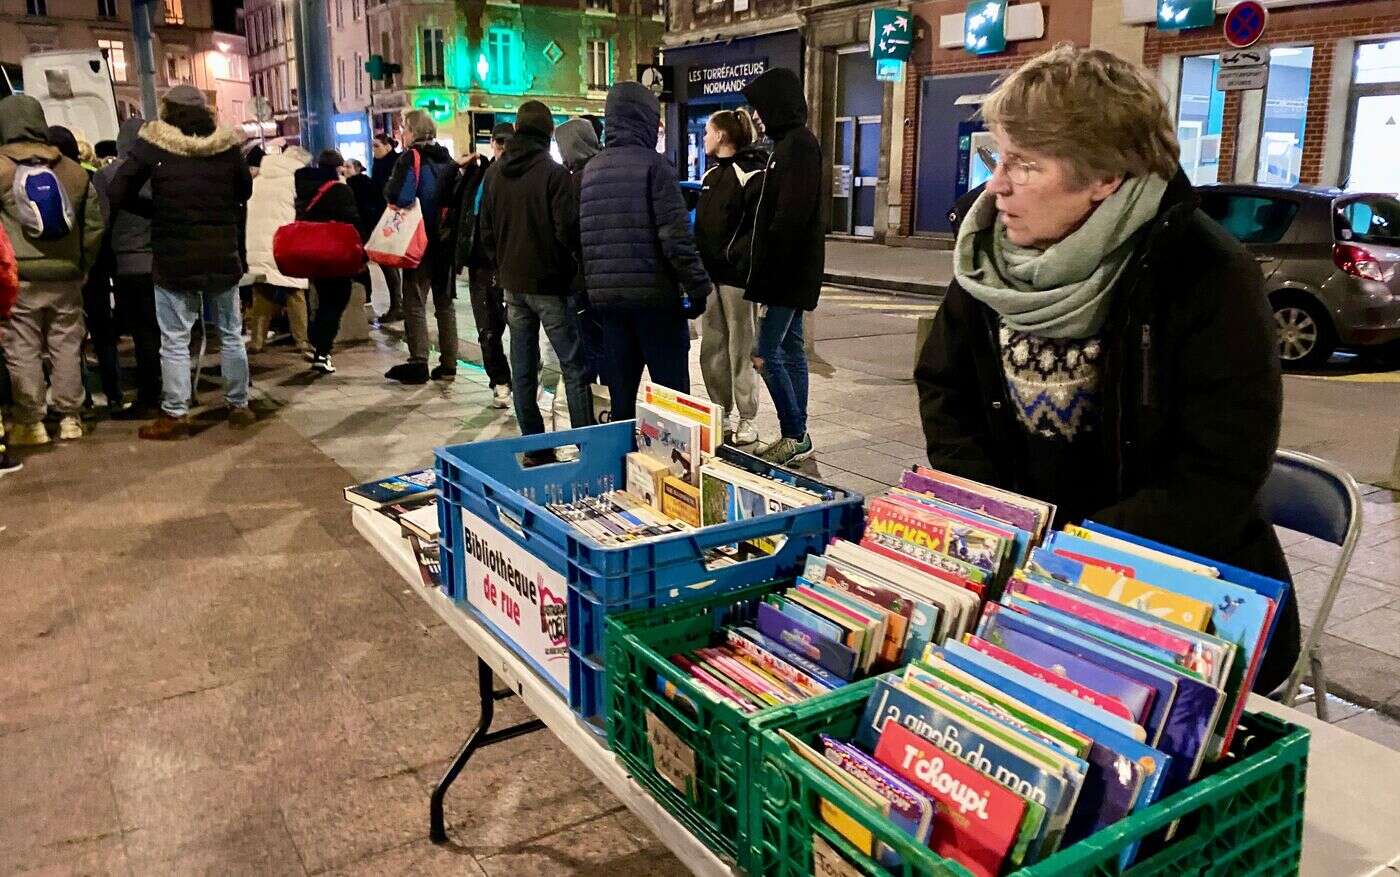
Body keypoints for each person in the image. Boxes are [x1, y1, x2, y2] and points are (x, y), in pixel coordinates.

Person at [915, 44, 1298, 693]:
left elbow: (1217, 472)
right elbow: (945, 388)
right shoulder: (987, 259)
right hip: (1023, 573)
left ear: (1105, 179)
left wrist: (1072, 559)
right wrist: (1006, 530)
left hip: (1172, 590)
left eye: (1026, 164)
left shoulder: (1204, 271)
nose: (996, 184)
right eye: (997, 156)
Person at [107, 84, 255, 440]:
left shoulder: (154, 144)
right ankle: (239, 406)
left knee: (174, 339)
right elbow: (244, 190)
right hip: (221, 253)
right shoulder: (226, 145)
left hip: (174, 256)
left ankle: (176, 413)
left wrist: (156, 212)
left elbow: (117, 190)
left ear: (167, 110)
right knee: (231, 333)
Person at [579, 81, 710, 423]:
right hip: (656, 303)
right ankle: (674, 469)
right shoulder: (655, 166)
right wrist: (698, 289)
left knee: (622, 398)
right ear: (645, 119)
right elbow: (676, 237)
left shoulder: (592, 170)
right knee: (673, 399)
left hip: (610, 306)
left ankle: (625, 466)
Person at [477, 100, 594, 452]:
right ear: (548, 134)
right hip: (550, 286)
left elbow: (486, 233)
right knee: (573, 367)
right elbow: (568, 231)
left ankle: (535, 446)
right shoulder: (555, 175)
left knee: (523, 369)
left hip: (513, 285)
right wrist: (568, 268)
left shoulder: (495, 173)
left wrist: (503, 263)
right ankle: (586, 444)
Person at [0, 95, 104, 445]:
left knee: (22, 349)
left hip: (20, 277)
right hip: (66, 276)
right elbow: (93, 226)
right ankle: (71, 418)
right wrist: (82, 264)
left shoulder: (0, 168)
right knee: (66, 346)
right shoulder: (72, 171)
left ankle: (32, 423)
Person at [741, 67, 824, 467]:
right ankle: (798, 435)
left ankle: (794, 433)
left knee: (764, 353)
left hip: (785, 276)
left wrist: (767, 280)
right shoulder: (789, 144)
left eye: (759, 107)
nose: (756, 115)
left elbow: (790, 218)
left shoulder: (798, 146)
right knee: (790, 351)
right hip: (788, 274)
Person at [694, 108, 766, 447]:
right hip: (711, 276)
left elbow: (755, 228)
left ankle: (747, 417)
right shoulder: (710, 177)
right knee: (713, 346)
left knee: (741, 347)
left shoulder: (750, 172)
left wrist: (736, 258)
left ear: (722, 136)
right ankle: (719, 412)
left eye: (708, 131)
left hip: (737, 277)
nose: (705, 137)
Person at [382, 111, 460, 384]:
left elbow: (402, 196)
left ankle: (418, 361)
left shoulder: (411, 158)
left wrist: (389, 189)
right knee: (444, 303)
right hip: (445, 241)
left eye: (403, 129)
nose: (401, 134)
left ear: (412, 132)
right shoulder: (448, 160)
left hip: (420, 241)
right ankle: (449, 363)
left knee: (414, 301)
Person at [93, 116, 162, 418]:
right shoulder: (161, 174)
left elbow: (101, 224)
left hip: (127, 265)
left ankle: (148, 396)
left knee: (142, 332)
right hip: (161, 264)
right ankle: (171, 392)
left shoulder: (107, 176)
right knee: (165, 334)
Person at [449, 122, 514, 409]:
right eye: (498, 142)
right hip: (481, 265)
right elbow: (445, 195)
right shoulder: (478, 175)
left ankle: (524, 379)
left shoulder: (517, 177)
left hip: (511, 265)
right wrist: (456, 166)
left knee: (521, 330)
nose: (500, 147)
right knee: (487, 331)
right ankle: (500, 381)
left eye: (505, 142)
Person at [243, 145, 313, 357]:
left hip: (257, 244)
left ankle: (257, 341)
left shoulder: (258, 181)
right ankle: (302, 341)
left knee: (262, 292)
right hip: (286, 244)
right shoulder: (295, 181)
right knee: (295, 291)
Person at [294, 148, 360, 374]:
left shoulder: (303, 187)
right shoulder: (339, 190)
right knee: (337, 300)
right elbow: (352, 221)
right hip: (336, 254)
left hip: (313, 253)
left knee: (322, 300)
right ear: (338, 167)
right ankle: (322, 351)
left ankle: (318, 344)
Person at [555, 117, 606, 401]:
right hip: (610, 279)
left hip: (584, 278)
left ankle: (595, 416)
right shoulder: (607, 171)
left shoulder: (573, 181)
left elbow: (566, 230)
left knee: (588, 352)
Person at [368, 132, 402, 322]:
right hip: (384, 218)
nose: (374, 150)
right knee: (387, 262)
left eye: (377, 146)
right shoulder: (379, 165)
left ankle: (398, 304)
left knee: (388, 262)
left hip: (392, 219)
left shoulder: (394, 163)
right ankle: (398, 303)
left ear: (388, 146)